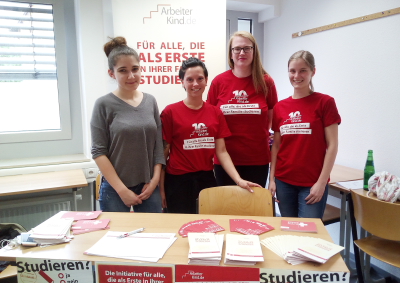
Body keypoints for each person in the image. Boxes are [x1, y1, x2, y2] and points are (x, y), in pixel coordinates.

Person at [160, 57, 261, 214]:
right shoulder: (170, 112)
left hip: (206, 180)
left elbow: (221, 151)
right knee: (180, 228)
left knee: (208, 226)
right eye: (190, 79)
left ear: (206, 80)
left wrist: (238, 179)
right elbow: (163, 154)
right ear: (182, 81)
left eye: (200, 79)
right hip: (177, 182)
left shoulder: (215, 112)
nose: (195, 84)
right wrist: (161, 188)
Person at [91, 36, 165, 212]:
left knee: (154, 236)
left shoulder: (150, 101)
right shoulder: (103, 104)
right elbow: (98, 152)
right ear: (112, 73)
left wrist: (154, 181)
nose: (131, 76)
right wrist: (122, 190)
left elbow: (158, 147)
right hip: (115, 189)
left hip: (148, 186)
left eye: (135, 69)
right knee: (115, 237)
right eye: (123, 70)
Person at [268, 50, 341, 218]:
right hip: (283, 181)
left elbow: (333, 145)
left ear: (312, 72)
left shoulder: (325, 103)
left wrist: (322, 183)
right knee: (288, 231)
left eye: (303, 70)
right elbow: (276, 146)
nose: (296, 75)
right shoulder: (280, 107)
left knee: (308, 237)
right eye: (292, 71)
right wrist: (271, 180)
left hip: (312, 183)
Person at [207, 31, 278, 187]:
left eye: (247, 48)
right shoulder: (219, 82)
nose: (242, 52)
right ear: (231, 53)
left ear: (254, 51)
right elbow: (210, 120)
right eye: (237, 49)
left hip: (257, 159)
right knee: (226, 208)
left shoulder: (266, 82)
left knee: (252, 208)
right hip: (225, 159)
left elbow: (271, 118)